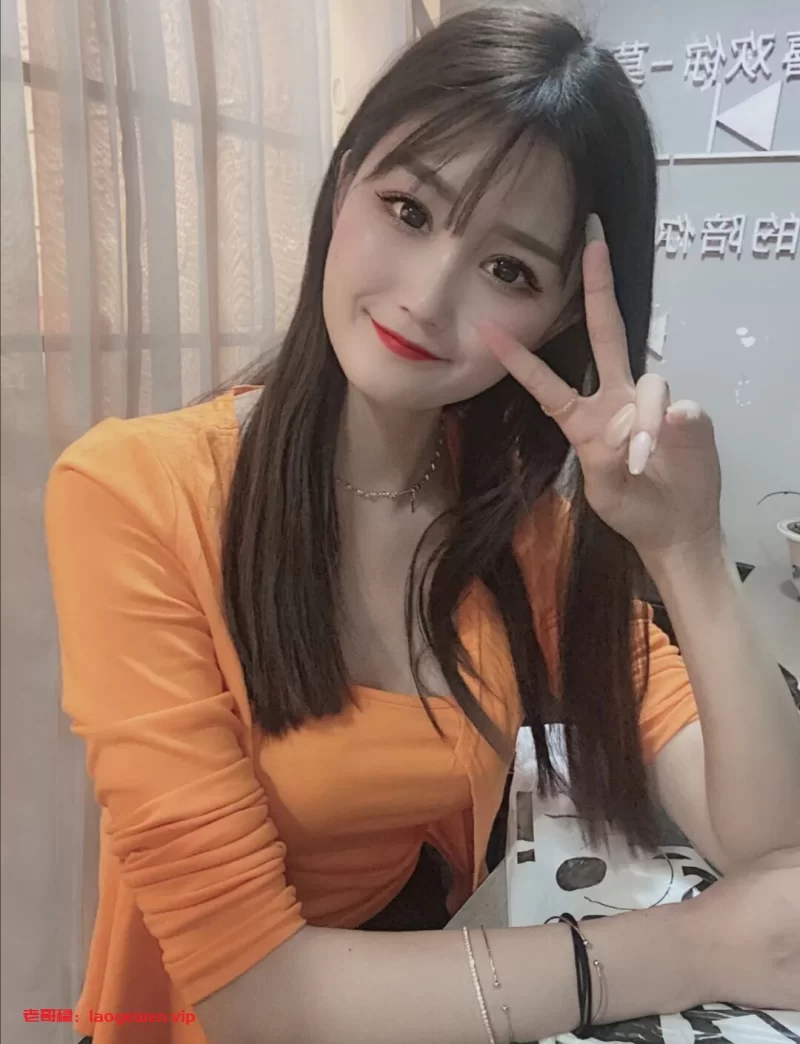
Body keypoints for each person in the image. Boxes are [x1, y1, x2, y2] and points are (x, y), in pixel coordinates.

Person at [45, 8, 800, 1044]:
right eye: (408, 209)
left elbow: (769, 844)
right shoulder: (132, 492)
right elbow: (250, 995)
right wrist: (694, 949)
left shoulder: (517, 532)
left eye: (508, 270)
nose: (428, 296)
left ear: (558, 317)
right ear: (344, 182)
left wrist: (687, 550)